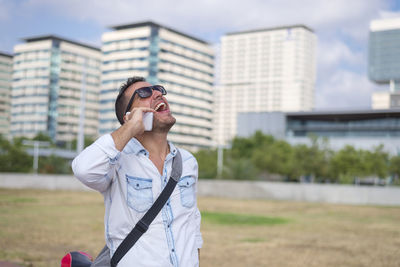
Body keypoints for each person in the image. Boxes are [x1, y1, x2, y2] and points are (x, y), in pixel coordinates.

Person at [72, 76, 202, 267]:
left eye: (157, 89)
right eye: (144, 93)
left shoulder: (188, 161)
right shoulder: (117, 161)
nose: (158, 93)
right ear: (129, 116)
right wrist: (130, 128)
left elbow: (192, 224)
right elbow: (83, 169)